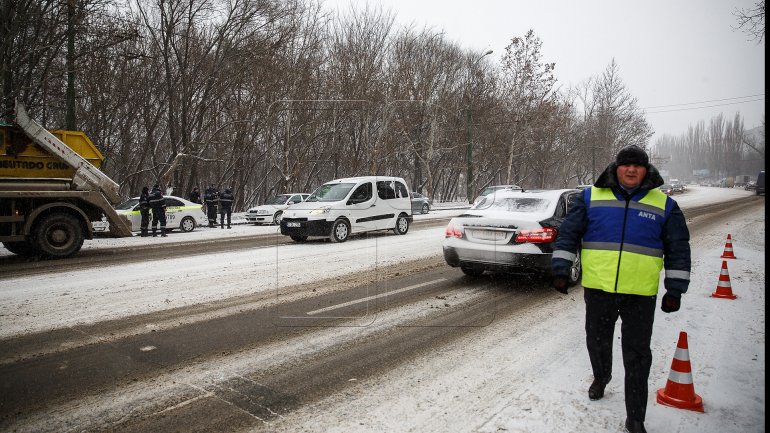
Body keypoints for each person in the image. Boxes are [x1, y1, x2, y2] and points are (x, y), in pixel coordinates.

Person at [550, 145, 691, 433]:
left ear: (646, 170)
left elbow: (678, 248)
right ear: (616, 167)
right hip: (600, 289)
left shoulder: (664, 205)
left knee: (638, 355)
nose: (630, 170)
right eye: (625, 164)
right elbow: (568, 234)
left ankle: (635, 416)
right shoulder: (590, 197)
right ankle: (601, 377)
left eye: (637, 165)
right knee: (598, 342)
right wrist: (561, 269)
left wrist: (675, 289)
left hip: (640, 295)